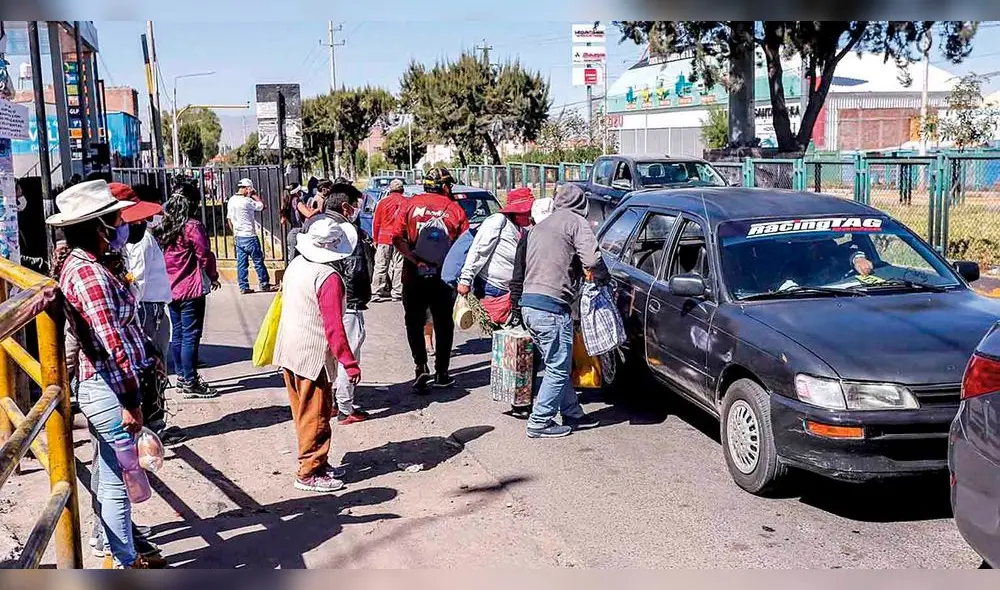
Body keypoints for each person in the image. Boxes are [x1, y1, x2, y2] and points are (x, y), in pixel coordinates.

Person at [46, 180, 166, 569]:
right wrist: (131, 402)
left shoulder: (90, 266)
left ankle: (116, 547)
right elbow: (110, 342)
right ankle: (125, 559)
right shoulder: (89, 275)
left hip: (110, 384)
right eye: (115, 219)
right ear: (99, 226)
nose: (121, 225)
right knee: (119, 478)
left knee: (110, 468)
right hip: (109, 388)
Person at [272, 216, 361, 492]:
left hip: (290, 348)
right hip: (313, 355)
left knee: (303, 412)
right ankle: (310, 471)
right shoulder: (328, 278)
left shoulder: (296, 265)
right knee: (317, 414)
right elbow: (334, 326)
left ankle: (314, 462)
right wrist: (350, 363)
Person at [515, 184, 608, 439]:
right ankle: (540, 422)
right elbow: (592, 260)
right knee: (557, 367)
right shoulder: (576, 223)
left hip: (530, 305)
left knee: (557, 363)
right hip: (551, 307)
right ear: (582, 204)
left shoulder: (539, 226)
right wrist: (603, 278)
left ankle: (572, 413)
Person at [391, 167, 470, 391]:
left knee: (414, 323)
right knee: (444, 324)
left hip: (413, 276)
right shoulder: (455, 210)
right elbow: (464, 246)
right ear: (445, 186)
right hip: (443, 278)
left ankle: (420, 366)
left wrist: (415, 260)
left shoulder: (409, 204)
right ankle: (442, 373)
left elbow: (396, 238)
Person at [303, 183, 372, 424]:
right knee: (347, 352)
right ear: (345, 206)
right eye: (354, 205)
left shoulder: (315, 224)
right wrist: (359, 299)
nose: (356, 210)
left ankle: (330, 402)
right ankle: (346, 406)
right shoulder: (347, 233)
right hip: (347, 302)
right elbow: (356, 271)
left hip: (317, 299)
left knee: (327, 355)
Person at [157, 182, 221, 399]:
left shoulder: (164, 226)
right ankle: (191, 381)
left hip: (170, 287)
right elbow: (204, 255)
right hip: (190, 288)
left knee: (179, 333)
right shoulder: (192, 226)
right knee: (191, 334)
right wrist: (213, 276)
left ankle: (183, 378)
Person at [456, 187, 534, 325]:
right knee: (501, 334)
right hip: (493, 287)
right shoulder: (497, 221)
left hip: (510, 290)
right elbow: (478, 251)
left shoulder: (521, 228)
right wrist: (465, 279)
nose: (529, 215)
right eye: (526, 211)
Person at [227, 178, 272, 294]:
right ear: (247, 189)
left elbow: (229, 220)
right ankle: (264, 283)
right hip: (250, 236)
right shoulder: (247, 201)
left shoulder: (232, 200)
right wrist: (255, 195)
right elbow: (262, 206)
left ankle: (243, 286)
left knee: (242, 263)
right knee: (258, 261)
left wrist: (235, 233)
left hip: (239, 236)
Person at [370, 179, 407, 302]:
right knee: (399, 266)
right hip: (400, 238)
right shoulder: (406, 202)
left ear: (390, 189)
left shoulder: (382, 202)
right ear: (402, 190)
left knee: (381, 265)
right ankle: (397, 292)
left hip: (384, 238)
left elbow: (376, 223)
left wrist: (375, 239)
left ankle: (376, 292)